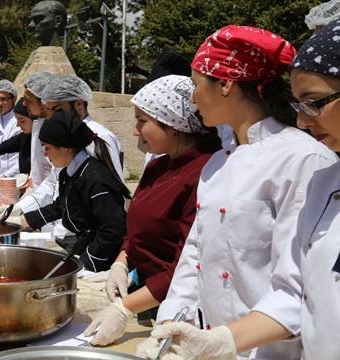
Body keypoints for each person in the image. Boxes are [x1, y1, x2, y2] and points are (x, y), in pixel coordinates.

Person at [139, 19, 340, 360]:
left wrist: (225, 341)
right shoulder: (218, 163)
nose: (304, 120)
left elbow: (300, 290)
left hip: (273, 350)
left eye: (195, 84)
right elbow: (196, 255)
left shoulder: (305, 159)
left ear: (226, 84)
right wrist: (175, 325)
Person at [82, 75, 221, 346]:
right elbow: (138, 228)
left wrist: (125, 309)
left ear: (174, 125)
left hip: (178, 305)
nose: (135, 131)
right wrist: (122, 261)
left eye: (142, 121)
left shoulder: (203, 174)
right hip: (145, 296)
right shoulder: (158, 166)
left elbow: (187, 263)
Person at [19, 110, 127, 272]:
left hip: (103, 256)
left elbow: (111, 231)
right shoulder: (68, 173)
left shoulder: (96, 179)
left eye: (47, 148)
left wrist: (89, 265)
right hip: (85, 244)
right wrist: (22, 221)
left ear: (65, 147)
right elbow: (60, 207)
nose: (45, 154)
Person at [0, 79, 21, 179]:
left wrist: (7, 176)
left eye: (3, 99)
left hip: (16, 178)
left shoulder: (20, 120)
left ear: (13, 99)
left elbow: (26, 156)